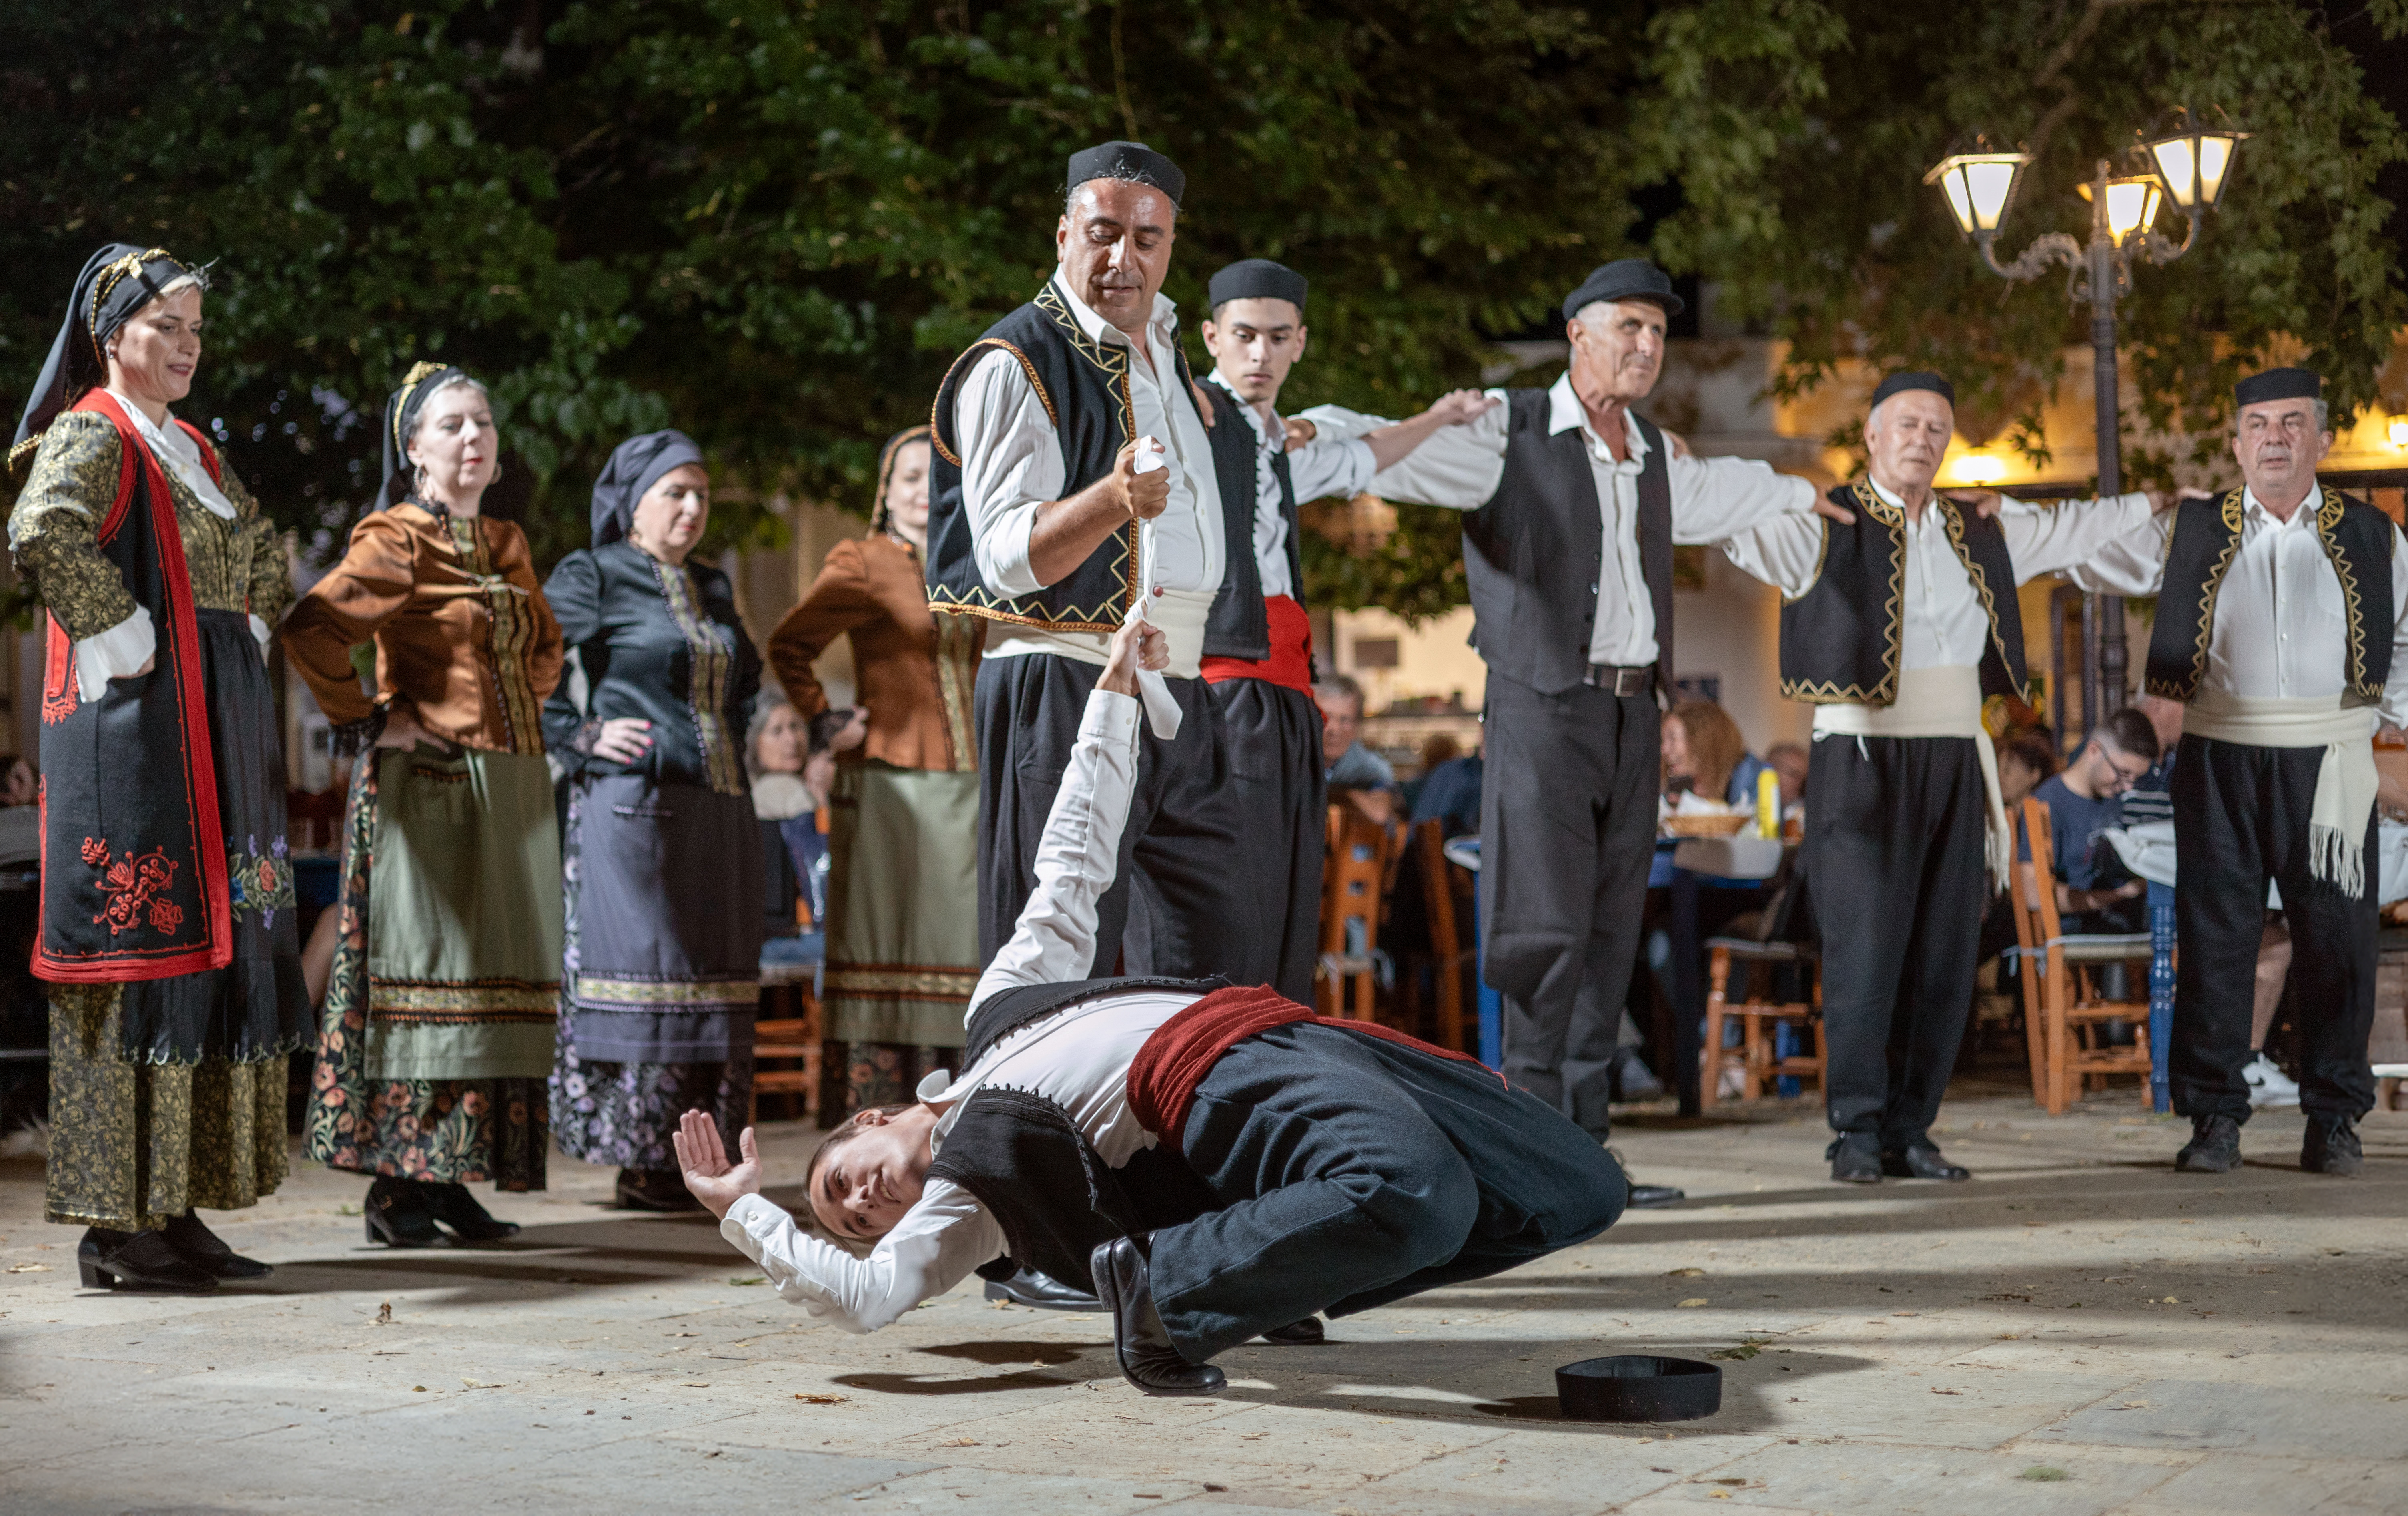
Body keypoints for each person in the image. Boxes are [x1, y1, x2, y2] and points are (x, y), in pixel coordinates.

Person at [674, 616, 1629, 1396]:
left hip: (1295, 1038)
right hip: (1214, 1081)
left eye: (842, 1181)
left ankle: (1238, 1282)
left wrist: (1113, 701)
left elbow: (1073, 864)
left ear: (872, 1120)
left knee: (1582, 1188)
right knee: (1422, 1191)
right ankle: (1163, 1293)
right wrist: (748, 1215)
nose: (863, 1204)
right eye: (859, 1223)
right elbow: (868, 1299)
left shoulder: (998, 1013)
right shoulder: (974, 1202)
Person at [1295, 260, 1838, 1165]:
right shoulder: (1505, 431)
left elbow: (1734, 491)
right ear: (1577, 335)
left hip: (1635, 716)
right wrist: (1312, 429)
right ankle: (1536, 1147)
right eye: (1628, 327)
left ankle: (1586, 1152)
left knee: (1609, 928)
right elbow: (1393, 447)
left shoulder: (1657, 452)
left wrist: (1800, 494)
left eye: (1658, 332)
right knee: (1541, 925)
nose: (1647, 345)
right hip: (1540, 705)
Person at [1717, 370, 2175, 1183]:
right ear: (1869, 437)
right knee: (1862, 948)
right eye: (1906, 424)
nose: (1921, 437)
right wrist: (1758, 489)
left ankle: (1910, 1130)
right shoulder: (1823, 519)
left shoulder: (1980, 526)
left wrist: (2148, 505)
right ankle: (1854, 1133)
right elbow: (1732, 524)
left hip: (1954, 755)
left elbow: (2070, 529)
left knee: (1940, 951)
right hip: (1859, 753)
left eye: (1935, 426)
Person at [7, 244, 307, 1291]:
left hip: (215, 734)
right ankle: (112, 1226)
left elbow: (263, 550)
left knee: (206, 969)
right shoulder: (96, 432)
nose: (186, 346)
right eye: (165, 327)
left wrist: (256, 620)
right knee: (135, 966)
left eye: (195, 329)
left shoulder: (199, 453)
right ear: (111, 334)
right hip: (137, 741)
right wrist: (120, 629)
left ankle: (174, 1208)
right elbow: (40, 533)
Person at [926, 139, 1257, 988]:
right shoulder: (1016, 360)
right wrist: (1111, 498)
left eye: (1146, 240)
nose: (1122, 258)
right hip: (1063, 681)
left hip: (1180, 686)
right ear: (1062, 233)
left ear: (1170, 247)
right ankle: (1020, 1123)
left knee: (1210, 961)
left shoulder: (1166, 345)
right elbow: (1000, 558)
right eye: (1102, 233)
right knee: (1049, 954)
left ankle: (1175, 1125)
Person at [283, 362, 566, 1246]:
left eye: (482, 422)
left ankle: (452, 1179)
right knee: (425, 988)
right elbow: (312, 630)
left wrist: (517, 719)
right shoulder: (397, 538)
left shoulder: (508, 541)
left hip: (510, 789)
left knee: (487, 995)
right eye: (452, 426)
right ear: (413, 449)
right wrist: (372, 720)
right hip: (432, 793)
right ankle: (396, 1189)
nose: (473, 438)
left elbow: (544, 650)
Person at [2121, 367, 2408, 1177]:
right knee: (2215, 942)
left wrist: (2387, 710)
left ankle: (2333, 1121)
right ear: (2235, 442)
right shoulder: (2189, 529)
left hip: (2328, 757)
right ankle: (2211, 1119)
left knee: (2337, 943)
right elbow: (2083, 557)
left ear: (2319, 439)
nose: (2272, 437)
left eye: (2289, 422)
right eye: (2256, 423)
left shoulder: (2372, 534)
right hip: (2218, 752)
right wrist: (1996, 521)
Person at [1194, 257, 1486, 1003]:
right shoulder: (1192, 416)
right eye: (1244, 336)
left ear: (1300, 344)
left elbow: (1366, 455)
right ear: (1212, 338)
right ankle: (1222, 1037)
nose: (1259, 353)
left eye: (1276, 337)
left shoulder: (1278, 445)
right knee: (1239, 876)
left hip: (1289, 683)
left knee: (1292, 877)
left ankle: (1273, 1032)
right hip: (1227, 679)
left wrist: (1440, 418)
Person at [543, 430, 765, 1213]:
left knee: (710, 976)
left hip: (719, 808)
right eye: (675, 492)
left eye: (701, 493)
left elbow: (743, 684)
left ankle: (699, 1160)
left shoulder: (712, 585)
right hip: (632, 810)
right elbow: (524, 662)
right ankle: (642, 1159)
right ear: (633, 505)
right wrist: (579, 735)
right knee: (649, 973)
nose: (693, 507)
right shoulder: (594, 574)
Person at [767, 426, 983, 1113]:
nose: (926, 492)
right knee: (890, 948)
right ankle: (876, 1120)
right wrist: (826, 719)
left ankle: (957, 1119)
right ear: (885, 491)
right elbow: (790, 644)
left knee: (969, 953)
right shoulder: (861, 560)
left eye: (939, 478)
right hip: (890, 785)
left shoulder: (975, 559)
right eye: (911, 478)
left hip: (974, 786)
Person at [2029, 707, 2159, 934]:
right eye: (2123, 773)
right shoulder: (2050, 802)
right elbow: (2032, 893)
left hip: (2118, 922)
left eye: (2135, 779)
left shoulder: (2113, 798)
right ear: (2094, 751)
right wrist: (2113, 897)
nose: (2128, 787)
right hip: (2073, 930)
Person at [1316, 673, 1398, 824]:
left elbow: (1380, 813)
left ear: (1357, 726)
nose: (1334, 729)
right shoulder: (1293, 759)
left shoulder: (1371, 767)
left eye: (1345, 720)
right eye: (1325, 718)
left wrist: (1341, 795)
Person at [1660, 701, 1771, 810]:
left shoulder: (1751, 774)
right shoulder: (1686, 783)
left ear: (1703, 738)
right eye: (1662, 740)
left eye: (1673, 738)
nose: (1663, 749)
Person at [1764, 741, 1809, 812]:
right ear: (1772, 768)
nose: (1800, 782)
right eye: (1794, 774)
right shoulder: (1748, 803)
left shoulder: (1799, 809)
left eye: (1803, 777)